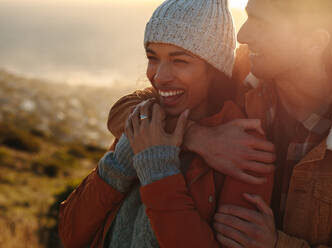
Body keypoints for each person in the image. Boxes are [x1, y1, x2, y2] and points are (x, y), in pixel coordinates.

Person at [107, 0, 332, 247]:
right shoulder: (240, 72)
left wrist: (277, 245)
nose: (242, 35)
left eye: (261, 23)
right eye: (247, 17)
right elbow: (124, 111)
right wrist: (197, 136)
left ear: (314, 42)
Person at [58, 0, 276, 247]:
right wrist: (122, 160)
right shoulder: (145, 124)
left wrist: (158, 173)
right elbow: (70, 233)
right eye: (153, 58)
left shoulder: (244, 149)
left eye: (179, 61)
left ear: (214, 69)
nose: (159, 77)